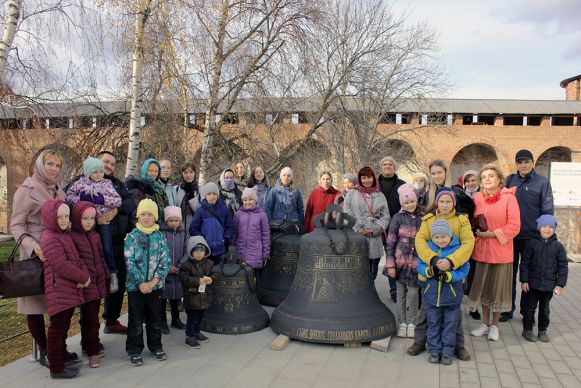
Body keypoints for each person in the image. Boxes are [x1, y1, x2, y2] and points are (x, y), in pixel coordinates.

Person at [10, 149, 66, 367]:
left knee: (59, 302)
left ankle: (57, 348)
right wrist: (34, 247)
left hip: (58, 251)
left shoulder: (58, 190)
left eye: (57, 165)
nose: (54, 168)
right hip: (36, 253)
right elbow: (16, 225)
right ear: (40, 165)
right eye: (50, 163)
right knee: (34, 305)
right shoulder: (26, 190)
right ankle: (44, 350)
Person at [408, 187, 474, 361]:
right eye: (441, 202)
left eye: (448, 202)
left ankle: (457, 346)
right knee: (426, 312)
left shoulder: (461, 220)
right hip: (432, 275)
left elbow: (468, 243)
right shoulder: (429, 219)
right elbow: (421, 240)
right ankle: (420, 341)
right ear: (437, 202)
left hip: (452, 274)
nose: (445, 205)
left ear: (453, 203)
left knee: (453, 316)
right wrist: (433, 260)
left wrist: (452, 262)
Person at [468, 164, 520, 341]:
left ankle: (495, 326)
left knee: (496, 290)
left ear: (499, 179)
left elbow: (514, 226)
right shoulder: (477, 198)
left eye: (491, 176)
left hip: (500, 252)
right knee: (483, 288)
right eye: (484, 177)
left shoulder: (509, 198)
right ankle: (484, 323)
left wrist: (492, 234)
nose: (487, 179)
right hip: (481, 250)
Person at [502, 149, 554, 322]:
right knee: (509, 274)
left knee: (529, 275)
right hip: (511, 236)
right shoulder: (510, 180)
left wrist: (546, 235)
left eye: (526, 162)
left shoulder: (542, 182)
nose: (523, 165)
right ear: (516, 164)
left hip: (532, 237)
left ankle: (526, 310)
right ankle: (507, 309)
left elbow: (547, 211)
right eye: (520, 162)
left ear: (532, 163)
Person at [40, 200, 89, 378]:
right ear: (50, 217)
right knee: (56, 329)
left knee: (64, 326)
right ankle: (56, 367)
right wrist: (83, 277)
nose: (62, 220)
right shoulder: (50, 237)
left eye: (66, 216)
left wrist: (85, 274)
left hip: (68, 288)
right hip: (58, 289)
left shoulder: (63, 234)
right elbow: (61, 265)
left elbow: (76, 258)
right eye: (58, 216)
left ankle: (62, 355)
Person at [124, 199, 170, 366]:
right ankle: (134, 349)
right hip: (136, 288)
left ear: (155, 217)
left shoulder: (160, 236)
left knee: (155, 318)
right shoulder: (132, 236)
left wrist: (155, 281)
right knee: (136, 320)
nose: (146, 218)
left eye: (150, 214)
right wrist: (141, 284)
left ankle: (156, 345)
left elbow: (165, 260)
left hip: (155, 287)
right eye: (143, 214)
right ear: (138, 216)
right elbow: (129, 262)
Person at [417, 218, 469, 365]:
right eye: (436, 237)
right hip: (432, 297)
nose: (440, 240)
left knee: (450, 326)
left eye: (443, 236)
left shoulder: (457, 249)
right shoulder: (429, 249)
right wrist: (428, 271)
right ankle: (434, 351)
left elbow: (464, 269)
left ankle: (447, 352)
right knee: (433, 324)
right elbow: (420, 264)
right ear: (432, 237)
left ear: (450, 235)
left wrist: (450, 276)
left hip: (451, 297)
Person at [65, 156, 122, 293]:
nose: (99, 175)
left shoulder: (107, 184)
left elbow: (118, 201)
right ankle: (85, 275)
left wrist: (102, 199)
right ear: (88, 172)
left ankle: (113, 273)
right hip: (85, 221)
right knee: (85, 249)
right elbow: (68, 197)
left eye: (101, 172)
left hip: (103, 220)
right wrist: (81, 198)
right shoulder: (80, 183)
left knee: (106, 246)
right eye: (95, 172)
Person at [70, 201, 109, 368]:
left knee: (91, 317)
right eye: (85, 218)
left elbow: (101, 257)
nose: (89, 222)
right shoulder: (72, 236)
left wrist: (106, 274)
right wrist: (83, 277)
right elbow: (74, 260)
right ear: (78, 218)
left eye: (92, 218)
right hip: (84, 283)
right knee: (91, 319)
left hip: (97, 281)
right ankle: (92, 352)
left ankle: (89, 343)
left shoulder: (95, 236)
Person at [96, 151, 130, 335]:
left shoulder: (118, 184)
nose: (109, 166)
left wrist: (115, 208)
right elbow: (75, 206)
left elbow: (129, 204)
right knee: (93, 288)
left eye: (112, 164)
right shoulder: (84, 181)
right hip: (93, 244)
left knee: (119, 282)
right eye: (105, 162)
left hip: (117, 243)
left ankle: (111, 320)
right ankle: (90, 334)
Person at [520, 215, 568, 343]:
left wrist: (560, 285)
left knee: (545, 309)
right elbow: (524, 263)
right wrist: (524, 280)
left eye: (550, 227)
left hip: (548, 285)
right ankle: (527, 330)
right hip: (532, 284)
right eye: (544, 226)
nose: (547, 229)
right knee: (530, 307)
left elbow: (563, 267)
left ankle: (542, 330)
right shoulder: (531, 244)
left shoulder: (558, 247)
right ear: (539, 228)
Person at [384, 183, 423, 338]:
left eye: (412, 201)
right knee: (400, 294)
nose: (410, 205)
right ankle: (402, 323)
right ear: (402, 204)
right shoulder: (397, 218)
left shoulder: (423, 217)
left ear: (416, 200)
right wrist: (390, 264)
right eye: (406, 203)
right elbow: (391, 242)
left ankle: (412, 323)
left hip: (416, 264)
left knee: (413, 294)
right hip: (400, 263)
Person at [343, 166, 390, 281]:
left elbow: (385, 216)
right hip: (356, 236)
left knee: (372, 271)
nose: (367, 181)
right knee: (356, 269)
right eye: (363, 178)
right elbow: (346, 213)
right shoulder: (352, 194)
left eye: (369, 177)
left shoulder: (380, 195)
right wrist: (358, 228)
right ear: (359, 179)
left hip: (374, 237)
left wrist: (374, 230)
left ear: (374, 178)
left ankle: (371, 295)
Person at [178, 236, 217, 349]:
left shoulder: (209, 263)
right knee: (192, 318)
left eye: (202, 250)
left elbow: (215, 273)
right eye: (196, 250)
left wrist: (212, 279)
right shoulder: (185, 266)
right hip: (192, 297)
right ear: (190, 251)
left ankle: (197, 332)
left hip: (205, 296)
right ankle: (189, 336)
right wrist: (197, 281)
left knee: (200, 317)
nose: (199, 253)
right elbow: (184, 278)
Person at [378, 156, 406, 303]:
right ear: (381, 167)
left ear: (394, 167)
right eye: (385, 164)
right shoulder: (374, 185)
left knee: (394, 259)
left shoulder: (402, 186)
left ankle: (395, 290)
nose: (387, 166)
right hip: (378, 229)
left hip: (396, 229)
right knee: (374, 261)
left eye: (390, 164)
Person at [189, 182, 235, 264]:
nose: (211, 196)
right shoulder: (200, 211)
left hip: (220, 250)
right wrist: (202, 239)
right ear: (205, 196)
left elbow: (230, 227)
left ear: (217, 195)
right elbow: (193, 228)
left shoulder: (224, 209)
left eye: (214, 194)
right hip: (204, 250)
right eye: (209, 194)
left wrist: (225, 238)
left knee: (218, 274)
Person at [160, 206, 188, 334]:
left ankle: (175, 319)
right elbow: (160, 251)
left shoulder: (183, 233)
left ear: (180, 221)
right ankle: (162, 321)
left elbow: (187, 250)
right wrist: (168, 265)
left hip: (178, 269)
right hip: (165, 270)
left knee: (176, 297)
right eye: (170, 220)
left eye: (176, 220)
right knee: (163, 297)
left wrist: (180, 264)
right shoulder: (161, 233)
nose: (173, 223)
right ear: (166, 221)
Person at [233, 187, 271, 269]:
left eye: (250, 199)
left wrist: (265, 254)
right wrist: (232, 248)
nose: (248, 202)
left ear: (255, 200)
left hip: (255, 252)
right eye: (245, 200)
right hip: (240, 251)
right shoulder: (238, 214)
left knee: (253, 277)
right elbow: (234, 233)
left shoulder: (261, 215)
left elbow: (266, 235)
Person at [125, 158, 170, 226]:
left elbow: (165, 208)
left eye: (156, 171)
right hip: (142, 229)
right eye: (150, 170)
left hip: (159, 227)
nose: (153, 173)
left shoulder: (159, 189)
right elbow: (134, 214)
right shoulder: (137, 188)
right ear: (144, 170)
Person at [264, 167, 305, 231]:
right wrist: (269, 223)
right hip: (277, 225)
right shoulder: (274, 191)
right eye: (284, 175)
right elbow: (268, 209)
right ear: (281, 176)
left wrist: (301, 225)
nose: (286, 177)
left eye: (289, 176)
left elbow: (300, 210)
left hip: (293, 225)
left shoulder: (296, 192)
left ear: (291, 178)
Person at [175, 162, 200, 229]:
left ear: (194, 173)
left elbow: (200, 211)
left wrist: (191, 195)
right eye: (185, 172)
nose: (188, 175)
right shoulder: (176, 189)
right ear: (182, 174)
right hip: (179, 228)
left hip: (195, 228)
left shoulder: (200, 190)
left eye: (191, 172)